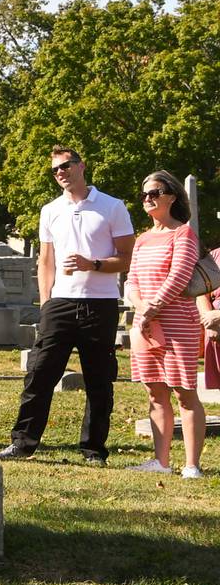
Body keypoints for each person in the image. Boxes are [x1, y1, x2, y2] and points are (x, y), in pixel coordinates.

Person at [0, 146, 135, 465]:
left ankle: (94, 450)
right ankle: (22, 444)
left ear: (82, 166)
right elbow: (45, 261)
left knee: (99, 379)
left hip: (100, 303)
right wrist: (47, 301)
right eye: (55, 170)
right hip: (60, 304)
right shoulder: (50, 210)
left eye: (66, 166)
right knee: (39, 374)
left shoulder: (112, 207)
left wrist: (91, 264)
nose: (61, 173)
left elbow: (126, 259)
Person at [126, 170, 204, 477]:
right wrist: (142, 308)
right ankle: (161, 462)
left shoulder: (183, 234)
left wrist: (152, 308)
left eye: (154, 193)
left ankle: (191, 465)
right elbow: (131, 280)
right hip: (145, 325)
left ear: (171, 197)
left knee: (184, 392)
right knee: (155, 392)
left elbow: (180, 276)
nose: (147, 198)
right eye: (144, 194)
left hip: (177, 325)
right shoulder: (143, 238)